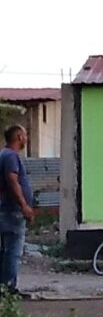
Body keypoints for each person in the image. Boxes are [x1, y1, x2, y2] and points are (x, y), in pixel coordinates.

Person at [0, 125, 35, 297]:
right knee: (13, 252)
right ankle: (9, 290)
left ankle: (4, 288)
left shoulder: (4, 154)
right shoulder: (11, 156)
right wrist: (24, 205)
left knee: (5, 252)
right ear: (19, 137)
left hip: (6, 210)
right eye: (25, 135)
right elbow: (13, 181)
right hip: (12, 211)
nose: (26, 138)